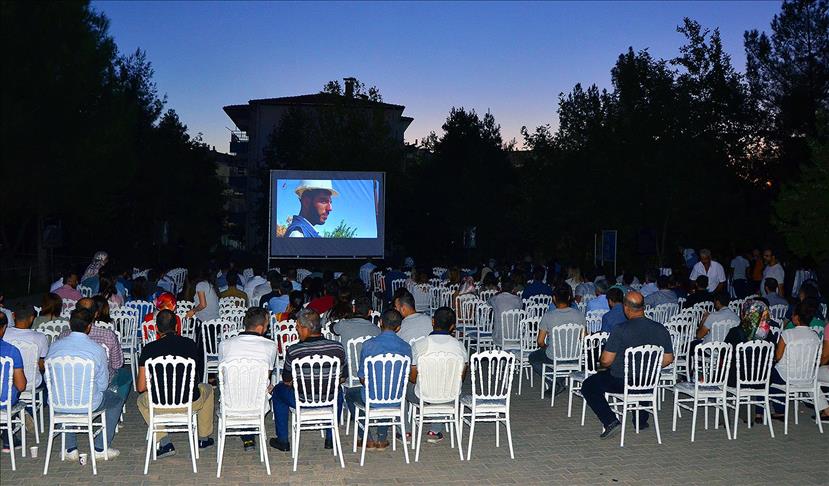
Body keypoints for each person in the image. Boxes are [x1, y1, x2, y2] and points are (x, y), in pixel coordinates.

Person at [581, 291, 674, 438]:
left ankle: (610, 421)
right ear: (643, 307)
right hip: (649, 380)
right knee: (642, 379)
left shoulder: (620, 329)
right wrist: (649, 366)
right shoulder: (661, 329)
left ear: (626, 308)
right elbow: (668, 359)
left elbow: (606, 361)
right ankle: (641, 420)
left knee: (588, 385)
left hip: (622, 380)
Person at [46, 308, 123, 460]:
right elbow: (102, 384)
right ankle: (100, 447)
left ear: (69, 323)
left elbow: (48, 376)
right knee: (116, 401)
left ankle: (70, 449)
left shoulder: (55, 346)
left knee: (66, 397)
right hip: (88, 403)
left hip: (58, 403)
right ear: (89, 327)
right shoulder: (96, 349)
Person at [137, 309, 214, 458]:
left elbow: (141, 387)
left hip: (159, 404)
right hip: (189, 402)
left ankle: (164, 442)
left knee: (141, 401)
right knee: (208, 389)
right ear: (177, 327)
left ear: (157, 329)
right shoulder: (190, 344)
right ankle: (203, 438)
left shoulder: (148, 349)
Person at [270, 308, 346, 451]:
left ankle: (283, 440)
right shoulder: (337, 347)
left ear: (306, 328)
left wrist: (296, 382)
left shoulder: (294, 350)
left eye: (298, 327)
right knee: (339, 391)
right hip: (329, 398)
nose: (297, 330)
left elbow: (286, 379)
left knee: (278, 391)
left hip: (301, 399)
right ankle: (331, 438)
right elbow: (343, 376)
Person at [345, 308, 411, 450]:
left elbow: (362, 377)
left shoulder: (369, 345)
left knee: (350, 394)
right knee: (387, 393)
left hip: (372, 397)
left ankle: (366, 437)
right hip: (396, 397)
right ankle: (382, 438)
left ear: (380, 322)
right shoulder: (406, 347)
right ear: (399, 327)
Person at [218, 307, 277, 451]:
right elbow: (266, 375)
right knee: (261, 387)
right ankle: (249, 435)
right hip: (256, 402)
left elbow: (222, 373)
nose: (267, 327)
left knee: (242, 386)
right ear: (259, 327)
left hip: (231, 400)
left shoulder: (225, 344)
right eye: (267, 324)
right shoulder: (270, 346)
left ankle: (247, 436)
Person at [408, 307, 468, 443]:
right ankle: (435, 429)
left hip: (423, 395)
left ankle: (406, 430)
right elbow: (461, 377)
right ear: (452, 326)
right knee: (443, 388)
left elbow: (413, 378)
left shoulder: (419, 345)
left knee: (407, 386)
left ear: (433, 322)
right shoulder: (459, 346)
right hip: (450, 395)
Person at [769, 300, 822, 420]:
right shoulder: (815, 336)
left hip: (786, 375)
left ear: (797, 317)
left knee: (770, 374)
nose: (791, 316)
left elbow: (778, 357)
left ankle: (779, 410)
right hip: (806, 375)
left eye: (793, 314)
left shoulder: (787, 334)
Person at [529, 285, 586, 392]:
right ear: (569, 297)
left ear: (554, 298)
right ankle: (561, 377)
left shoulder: (548, 316)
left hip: (555, 356)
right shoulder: (579, 315)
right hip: (575, 356)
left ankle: (554, 381)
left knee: (533, 357)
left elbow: (540, 341)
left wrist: (546, 347)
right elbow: (584, 337)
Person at [3, 306, 48, 390]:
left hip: (8, 383)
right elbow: (41, 365)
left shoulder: (4, 333)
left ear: (13, 316)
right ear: (31, 318)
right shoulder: (41, 337)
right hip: (33, 383)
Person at [0, 312, 26, 450]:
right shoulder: (12, 351)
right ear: (4, 328)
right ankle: (8, 438)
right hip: (3, 403)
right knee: (12, 391)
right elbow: (21, 386)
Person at [488, 279, 523, 347]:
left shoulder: (495, 299)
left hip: (499, 338)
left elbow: (488, 302)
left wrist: (497, 294)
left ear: (501, 288)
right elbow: (520, 307)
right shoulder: (517, 299)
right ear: (513, 289)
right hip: (515, 338)